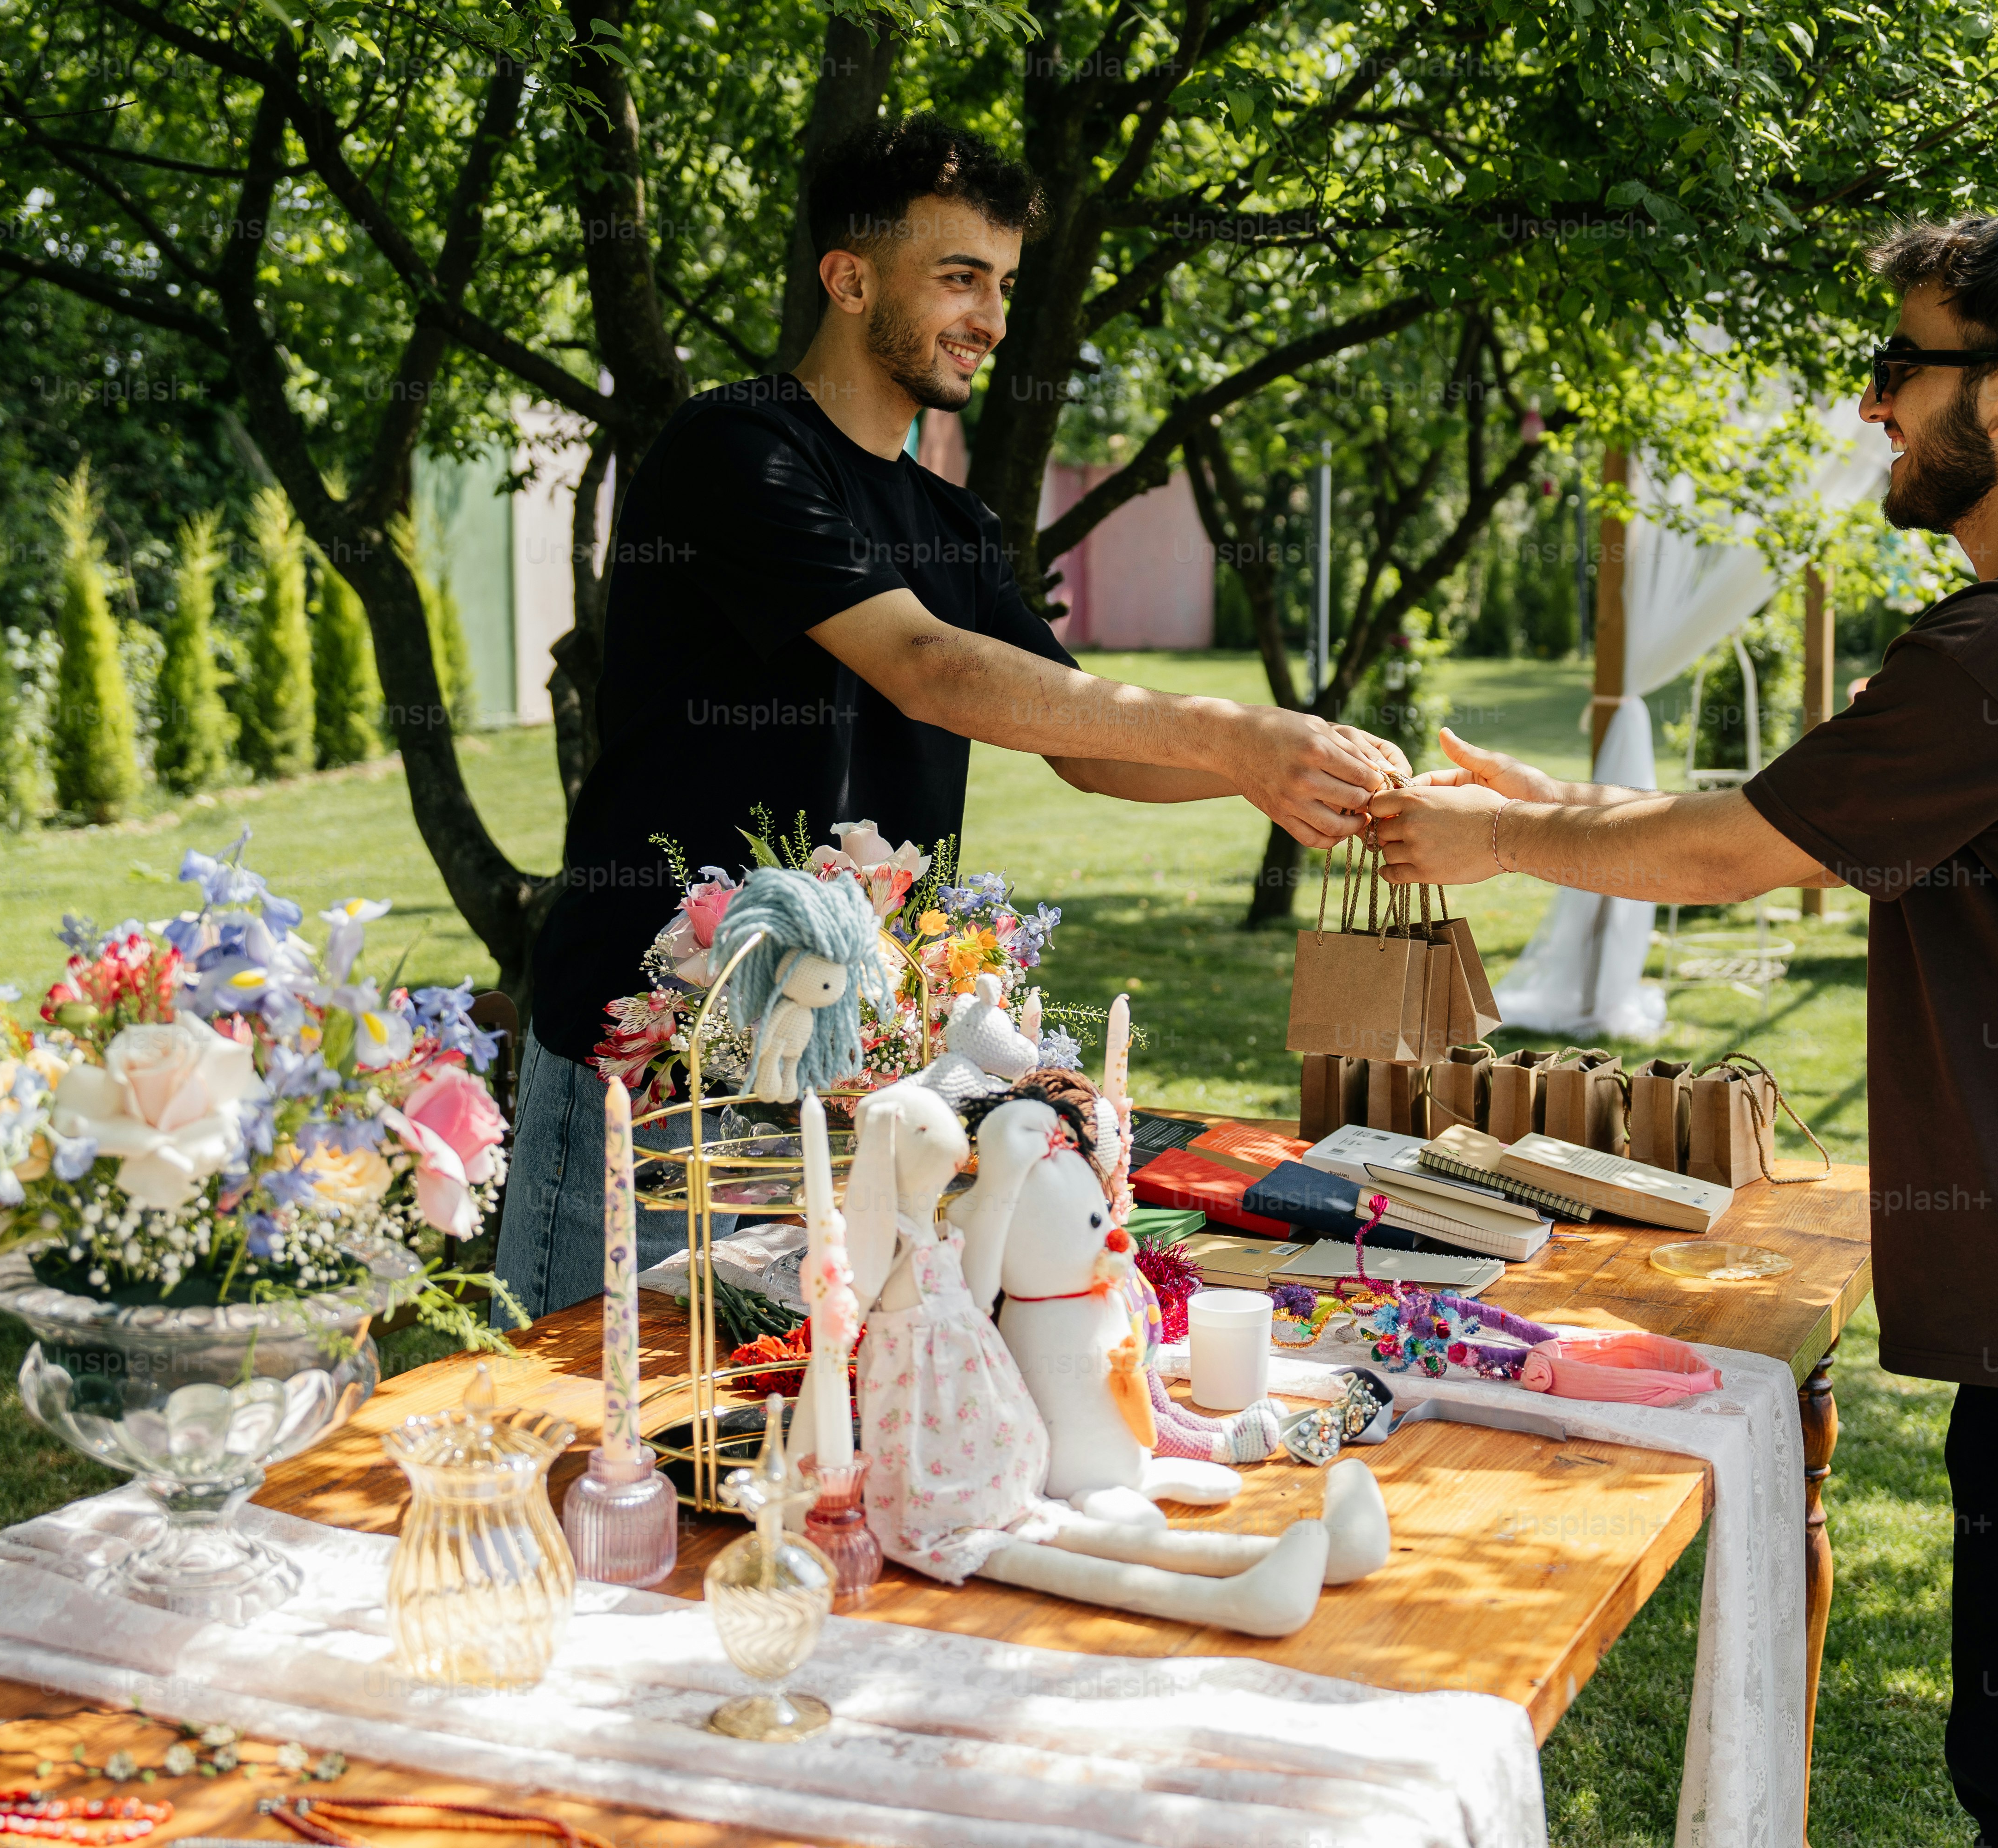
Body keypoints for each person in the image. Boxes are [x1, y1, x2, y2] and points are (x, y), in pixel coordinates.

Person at [1364, 210, 1998, 1847]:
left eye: (1901, 365)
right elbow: (1770, 812)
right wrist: (1566, 804)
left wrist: (1503, 841)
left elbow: (1741, 856)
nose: (1872, 406)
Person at [506, 115, 1406, 1321]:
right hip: (661, 1066)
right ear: (850, 277)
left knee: (810, 1458)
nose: (989, 315)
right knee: (596, 1438)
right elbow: (928, 667)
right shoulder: (736, 452)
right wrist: (1238, 736)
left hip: (863, 1075)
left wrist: (1303, 778)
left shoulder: (956, 525)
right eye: (959, 278)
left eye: (1004, 285)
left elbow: (1085, 747)